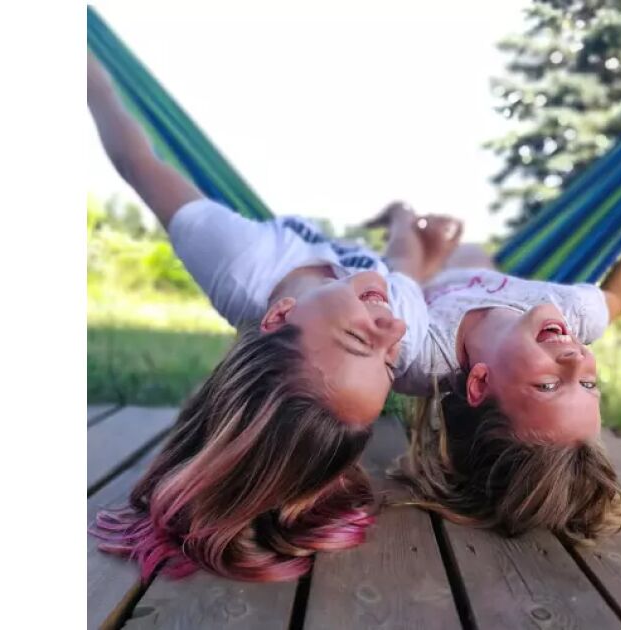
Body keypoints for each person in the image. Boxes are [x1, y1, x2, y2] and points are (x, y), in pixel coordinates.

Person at [86, 54, 457, 582]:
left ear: (280, 315)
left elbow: (137, 162)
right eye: (390, 361)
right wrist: (409, 225)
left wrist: (94, 81)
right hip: (389, 252)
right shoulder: (402, 319)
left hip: (276, 249)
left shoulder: (237, 259)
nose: (392, 328)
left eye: (359, 340)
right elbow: (403, 267)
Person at [389, 173, 621, 544]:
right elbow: (619, 296)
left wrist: (407, 229)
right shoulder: (573, 314)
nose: (576, 359)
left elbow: (397, 279)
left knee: (441, 244)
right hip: (479, 269)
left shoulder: (416, 350)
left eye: (549, 385)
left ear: (480, 383)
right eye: (588, 383)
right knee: (473, 254)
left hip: (418, 275)